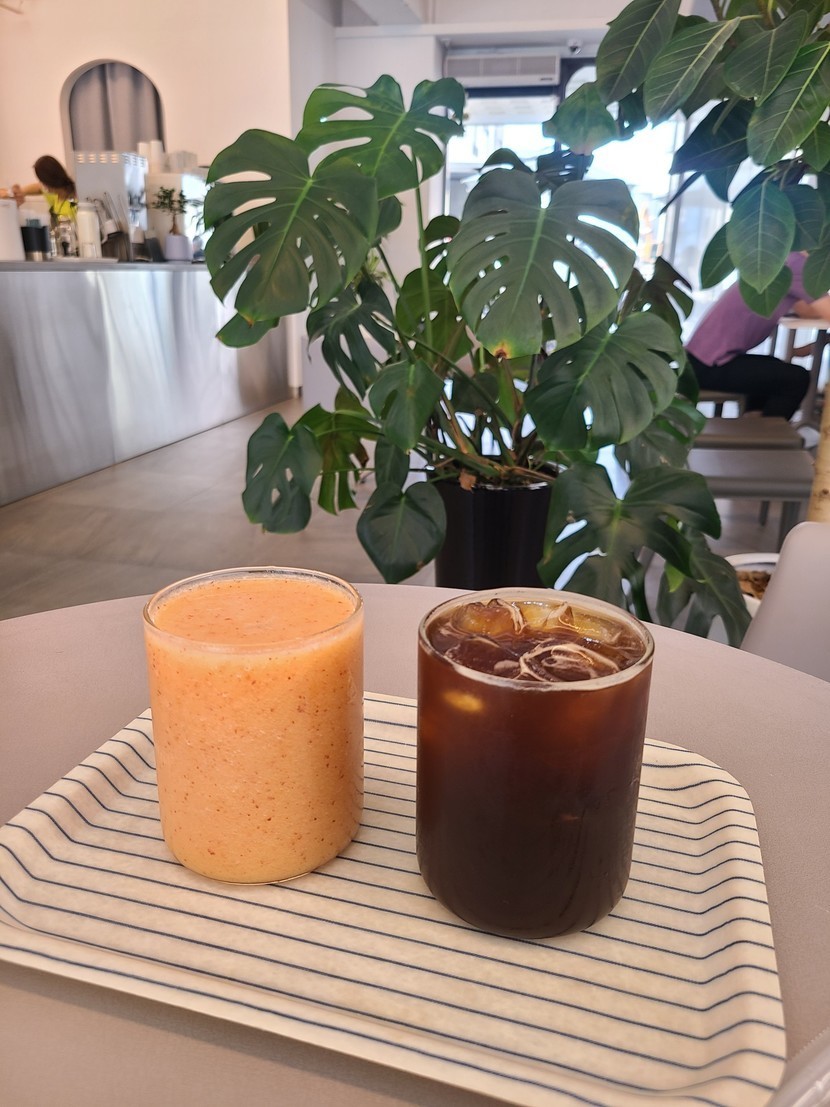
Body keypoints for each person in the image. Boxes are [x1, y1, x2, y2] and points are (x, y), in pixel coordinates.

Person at [685, 251, 830, 419]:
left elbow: (805, 310)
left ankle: (753, 424)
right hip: (709, 366)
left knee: (773, 368)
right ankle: (766, 433)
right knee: (796, 379)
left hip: (698, 361)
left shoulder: (784, 262)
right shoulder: (799, 265)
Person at [12, 155, 77, 219]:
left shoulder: (75, 199)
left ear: (50, 180)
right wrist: (20, 192)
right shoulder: (54, 194)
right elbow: (38, 187)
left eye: (43, 181)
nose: (43, 185)